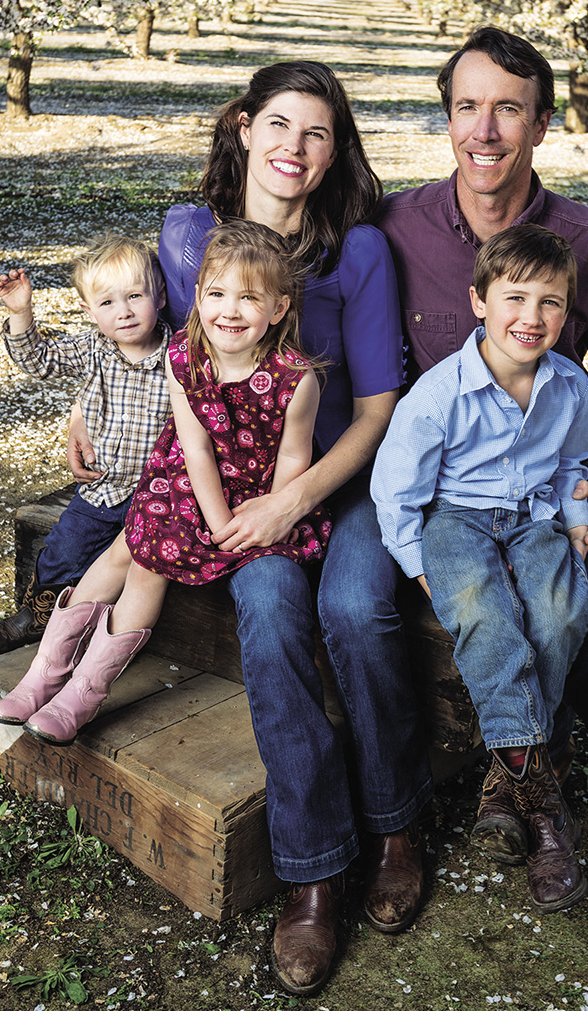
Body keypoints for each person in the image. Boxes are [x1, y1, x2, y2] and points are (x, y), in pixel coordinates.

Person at [71, 61, 432, 997]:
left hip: (340, 478)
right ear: (243, 126)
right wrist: (86, 401)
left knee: (355, 609)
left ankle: (395, 824)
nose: (295, 148)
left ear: (333, 150)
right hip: (236, 490)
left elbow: (379, 408)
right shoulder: (196, 244)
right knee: (269, 606)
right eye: (280, 124)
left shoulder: (356, 253)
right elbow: (167, 353)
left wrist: (297, 496)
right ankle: (312, 870)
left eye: (317, 133)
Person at [378, 26, 588, 897]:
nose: (486, 129)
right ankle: (518, 772)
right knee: (468, 608)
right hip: (446, 500)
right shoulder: (397, 229)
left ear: (542, 124)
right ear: (447, 119)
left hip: (550, 496)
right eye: (468, 106)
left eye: (509, 108)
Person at [0, 219, 330, 749]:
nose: (230, 311)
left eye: (249, 298)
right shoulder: (184, 359)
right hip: (183, 482)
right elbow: (193, 448)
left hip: (253, 502)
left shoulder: (296, 379)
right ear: (197, 297)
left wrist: (256, 517)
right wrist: (215, 520)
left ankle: (84, 691)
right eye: (216, 294)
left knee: (144, 559)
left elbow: (293, 457)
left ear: (279, 309)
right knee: (131, 557)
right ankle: (46, 676)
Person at [372, 224, 588, 912]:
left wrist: (578, 521)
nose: (532, 318)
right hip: (456, 519)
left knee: (562, 612)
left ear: (566, 312)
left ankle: (506, 780)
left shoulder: (569, 386)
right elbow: (396, 490)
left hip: (533, 516)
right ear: (478, 300)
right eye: (515, 297)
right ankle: (544, 806)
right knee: (484, 615)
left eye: (550, 303)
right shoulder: (438, 395)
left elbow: (568, 467)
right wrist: (419, 566)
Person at [0, 234, 171, 655]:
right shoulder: (94, 348)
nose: (125, 312)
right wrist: (22, 312)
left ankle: (101, 633)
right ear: (89, 311)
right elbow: (39, 360)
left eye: (135, 296)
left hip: (157, 494)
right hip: (104, 487)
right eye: (108, 303)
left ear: (162, 295)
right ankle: (35, 618)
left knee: (131, 568)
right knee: (62, 549)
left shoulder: (180, 357)